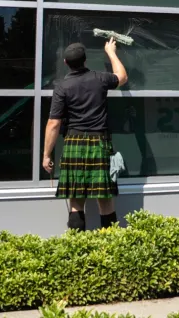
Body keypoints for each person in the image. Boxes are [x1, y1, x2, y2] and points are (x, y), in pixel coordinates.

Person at [43, 38, 128, 231]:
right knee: (105, 199)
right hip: (99, 142)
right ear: (85, 60)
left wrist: (46, 155)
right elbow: (122, 77)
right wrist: (111, 52)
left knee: (76, 200)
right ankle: (111, 248)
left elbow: (53, 123)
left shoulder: (62, 87)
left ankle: (79, 250)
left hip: (74, 143)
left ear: (66, 63)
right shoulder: (99, 78)